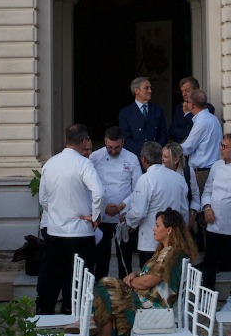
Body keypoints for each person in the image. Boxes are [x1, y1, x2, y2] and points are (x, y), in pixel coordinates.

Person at [91, 209, 196, 336]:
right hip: (144, 301)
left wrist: (133, 282)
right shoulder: (166, 250)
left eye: (157, 225)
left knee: (106, 287)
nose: (153, 228)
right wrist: (136, 275)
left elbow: (150, 280)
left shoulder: (171, 253)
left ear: (169, 230)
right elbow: (147, 275)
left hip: (152, 308)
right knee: (107, 295)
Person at [35, 124, 104, 314]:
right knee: (79, 280)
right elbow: (99, 192)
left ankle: (44, 316)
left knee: (51, 278)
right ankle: (73, 314)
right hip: (80, 232)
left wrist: (58, 212)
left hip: (56, 231)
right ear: (84, 141)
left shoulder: (50, 163)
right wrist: (96, 217)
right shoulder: (83, 163)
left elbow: (43, 199)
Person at [200, 133, 231, 309]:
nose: (220, 149)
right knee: (210, 262)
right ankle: (207, 296)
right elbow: (207, 190)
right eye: (221, 145)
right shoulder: (216, 165)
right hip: (213, 224)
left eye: (224, 146)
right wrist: (206, 207)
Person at [121, 142, 187, 270]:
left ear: (143, 159)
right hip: (173, 240)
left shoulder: (145, 179)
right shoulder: (178, 178)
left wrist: (128, 220)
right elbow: (183, 211)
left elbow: (139, 212)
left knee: (149, 282)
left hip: (150, 242)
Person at [91, 126, 140, 278]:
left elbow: (137, 189)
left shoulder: (132, 158)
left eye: (117, 147)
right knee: (101, 259)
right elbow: (90, 187)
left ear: (123, 142)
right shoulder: (94, 157)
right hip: (102, 216)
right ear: (105, 142)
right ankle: (100, 292)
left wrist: (121, 206)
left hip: (123, 216)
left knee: (124, 259)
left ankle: (125, 293)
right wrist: (103, 206)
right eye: (110, 147)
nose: (113, 151)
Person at [184, 90, 223, 201]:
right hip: (210, 169)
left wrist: (170, 149)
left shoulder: (202, 122)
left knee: (201, 206)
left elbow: (188, 148)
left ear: (191, 105)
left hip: (202, 172)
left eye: (187, 101)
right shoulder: (213, 118)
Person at [118, 76, 168, 159]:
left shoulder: (157, 110)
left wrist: (156, 151)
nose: (150, 91)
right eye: (146, 88)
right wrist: (143, 153)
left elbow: (163, 134)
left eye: (150, 88)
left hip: (156, 157)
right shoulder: (125, 113)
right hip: (136, 157)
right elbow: (126, 138)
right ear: (136, 90)